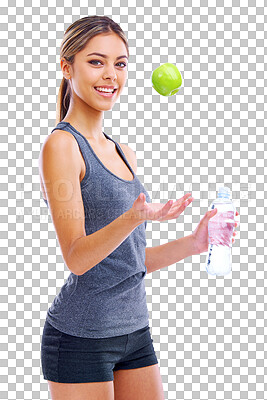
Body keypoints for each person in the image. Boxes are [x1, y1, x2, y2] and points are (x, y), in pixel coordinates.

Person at [39, 15, 239, 400]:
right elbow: (78, 258)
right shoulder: (62, 147)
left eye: (120, 63)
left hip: (135, 332)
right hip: (81, 336)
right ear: (67, 67)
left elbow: (128, 261)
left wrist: (194, 243)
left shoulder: (123, 152)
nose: (110, 75)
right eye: (96, 62)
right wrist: (136, 216)